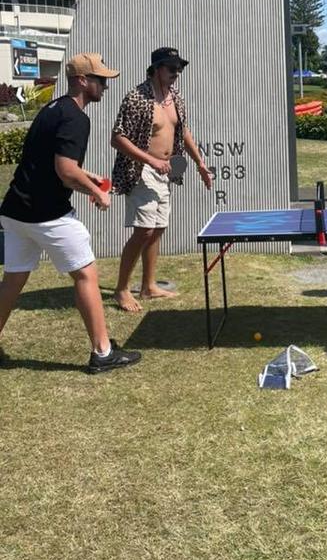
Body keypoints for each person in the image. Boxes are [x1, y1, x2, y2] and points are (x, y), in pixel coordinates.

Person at [0, 53, 141, 374]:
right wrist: (97, 193)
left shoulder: (52, 109)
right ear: (82, 80)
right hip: (47, 214)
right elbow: (65, 171)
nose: (105, 86)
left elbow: (52, 164)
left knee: (12, 281)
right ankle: (103, 352)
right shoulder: (77, 118)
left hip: (15, 210)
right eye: (100, 80)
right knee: (86, 275)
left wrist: (89, 179)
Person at [111, 47, 213, 312]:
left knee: (157, 229)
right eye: (171, 68)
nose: (176, 73)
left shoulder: (174, 97)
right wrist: (150, 160)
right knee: (143, 230)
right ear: (156, 69)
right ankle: (122, 289)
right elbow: (117, 138)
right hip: (141, 170)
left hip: (165, 172)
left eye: (179, 69)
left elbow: (184, 132)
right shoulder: (137, 98)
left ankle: (148, 286)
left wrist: (200, 164)